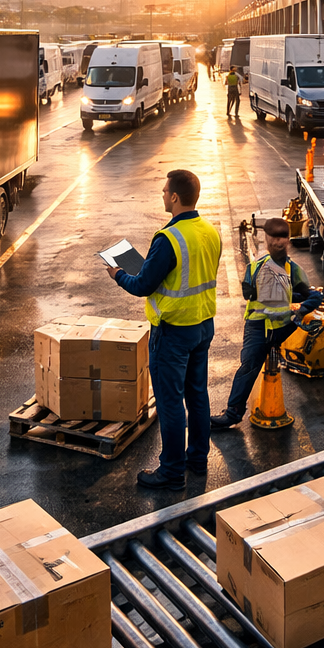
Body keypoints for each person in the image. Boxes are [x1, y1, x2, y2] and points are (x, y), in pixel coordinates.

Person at [108, 169, 222, 489]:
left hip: (173, 333)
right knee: (197, 396)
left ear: (174, 197)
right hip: (202, 325)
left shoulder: (168, 238)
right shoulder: (209, 231)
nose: (162, 194)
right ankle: (197, 459)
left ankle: (172, 472)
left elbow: (143, 284)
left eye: (164, 191)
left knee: (170, 403)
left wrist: (118, 273)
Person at [211, 217, 324, 430]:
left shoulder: (259, 268)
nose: (279, 244)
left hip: (276, 327)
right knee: (249, 365)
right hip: (264, 326)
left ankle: (233, 413)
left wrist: (298, 307)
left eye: (281, 239)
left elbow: (248, 293)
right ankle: (234, 412)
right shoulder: (287, 270)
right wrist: (298, 305)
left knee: (249, 366)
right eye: (277, 239)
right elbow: (312, 296)